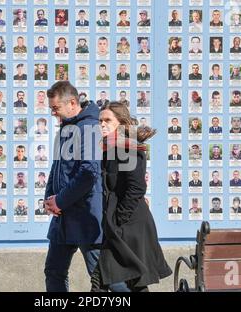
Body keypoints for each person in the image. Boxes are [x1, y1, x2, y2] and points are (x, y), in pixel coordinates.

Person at [43, 82, 129, 292]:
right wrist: (49, 200)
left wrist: (60, 200)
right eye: (51, 109)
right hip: (62, 218)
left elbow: (89, 173)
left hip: (85, 218)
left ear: (72, 103)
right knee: (54, 272)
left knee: (103, 276)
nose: (53, 113)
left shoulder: (90, 127)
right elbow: (57, 167)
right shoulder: (66, 127)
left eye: (56, 108)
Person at [91, 102, 172, 292]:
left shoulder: (129, 148)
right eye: (100, 121)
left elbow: (136, 187)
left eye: (107, 120)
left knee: (113, 279)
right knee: (122, 280)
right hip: (118, 224)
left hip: (131, 225)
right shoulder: (108, 149)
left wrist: (119, 218)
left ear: (121, 123)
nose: (102, 124)